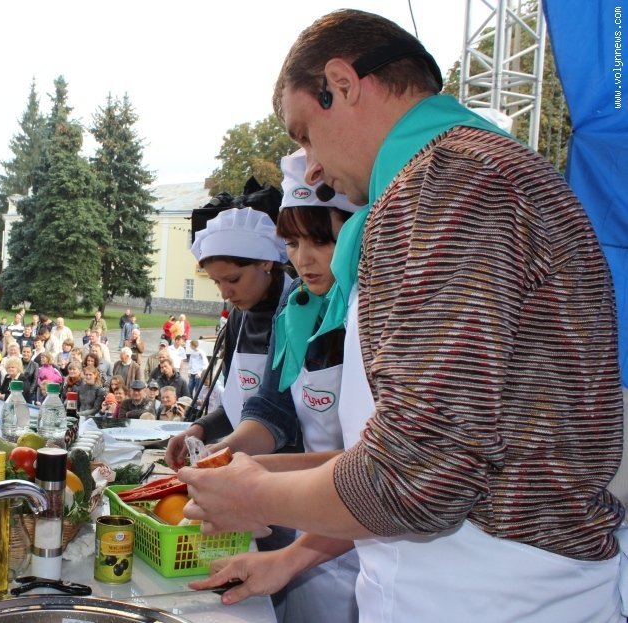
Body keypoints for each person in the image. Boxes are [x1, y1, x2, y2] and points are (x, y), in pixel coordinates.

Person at [180, 10, 625, 622]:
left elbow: (420, 479)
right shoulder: (474, 174)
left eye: (305, 134)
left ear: (342, 83)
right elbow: (429, 452)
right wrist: (287, 539)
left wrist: (257, 494)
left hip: (492, 598)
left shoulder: (449, 181)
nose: (311, 168)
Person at [186, 149, 362, 623]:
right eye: (292, 243)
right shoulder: (297, 308)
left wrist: (254, 477)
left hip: (364, 526)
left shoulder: (371, 315)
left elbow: (382, 467)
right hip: (314, 516)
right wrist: (224, 454)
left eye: (320, 242)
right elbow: (274, 408)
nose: (303, 260)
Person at [165, 206, 290, 466]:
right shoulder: (238, 318)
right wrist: (200, 429)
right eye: (216, 282)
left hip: (303, 468)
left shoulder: (299, 312)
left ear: (266, 262)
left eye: (233, 279)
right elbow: (239, 404)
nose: (224, 293)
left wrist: (229, 447)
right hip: (247, 463)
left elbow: (281, 411)